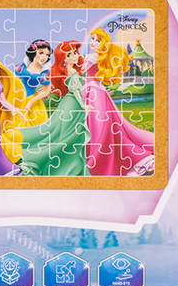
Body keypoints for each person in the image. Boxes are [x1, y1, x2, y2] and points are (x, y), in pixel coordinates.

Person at [84, 27, 155, 176]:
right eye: (92, 39)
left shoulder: (93, 57)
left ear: (104, 43)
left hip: (93, 91)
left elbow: (81, 71)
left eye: (97, 40)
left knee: (100, 124)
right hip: (96, 90)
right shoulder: (100, 57)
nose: (93, 42)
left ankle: (97, 156)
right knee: (103, 123)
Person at [20, 41, 92, 176]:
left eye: (75, 53)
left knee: (60, 135)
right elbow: (75, 90)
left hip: (67, 104)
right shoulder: (72, 72)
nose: (74, 56)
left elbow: (61, 90)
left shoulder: (67, 71)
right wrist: (83, 105)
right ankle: (47, 162)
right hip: (73, 105)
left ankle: (64, 167)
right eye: (69, 55)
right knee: (67, 138)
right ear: (63, 58)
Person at [14, 39, 52, 126]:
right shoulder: (21, 67)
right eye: (41, 53)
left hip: (33, 101)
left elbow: (46, 91)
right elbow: (16, 83)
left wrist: (31, 101)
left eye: (47, 55)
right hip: (20, 99)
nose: (44, 57)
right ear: (33, 52)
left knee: (34, 125)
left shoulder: (44, 72)